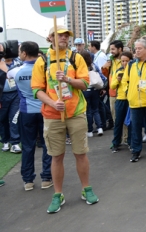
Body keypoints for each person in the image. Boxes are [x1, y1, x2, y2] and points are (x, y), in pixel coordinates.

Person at [31, 25, 98, 213]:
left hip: (76, 113)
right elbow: (37, 90)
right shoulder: (42, 61)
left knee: (80, 153)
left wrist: (68, 79)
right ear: (50, 38)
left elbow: (85, 84)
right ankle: (57, 194)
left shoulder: (76, 58)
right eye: (59, 35)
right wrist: (53, 104)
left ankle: (86, 189)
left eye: (66, 35)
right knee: (56, 156)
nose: (63, 38)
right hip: (52, 115)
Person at [11, 41, 52, 191]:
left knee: (28, 146)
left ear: (24, 53)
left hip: (26, 112)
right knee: (47, 145)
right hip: (45, 110)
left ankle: (28, 180)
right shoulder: (45, 69)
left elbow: (6, 72)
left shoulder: (16, 71)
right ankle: (46, 178)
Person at [122, 39, 146, 162]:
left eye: (139, 48)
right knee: (135, 127)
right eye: (135, 49)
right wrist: (128, 92)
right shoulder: (131, 65)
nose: (137, 51)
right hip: (134, 101)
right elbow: (124, 81)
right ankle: (136, 151)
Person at [79, 50, 107, 137]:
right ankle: (100, 128)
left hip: (85, 90)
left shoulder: (80, 67)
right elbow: (102, 77)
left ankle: (90, 131)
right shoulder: (94, 66)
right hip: (95, 90)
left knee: (88, 111)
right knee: (96, 110)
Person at [110, 51, 133, 153]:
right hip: (120, 99)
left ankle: (131, 141)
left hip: (130, 99)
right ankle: (116, 143)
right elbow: (112, 86)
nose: (124, 63)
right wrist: (117, 80)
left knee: (131, 123)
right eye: (123, 61)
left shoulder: (133, 70)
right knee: (118, 122)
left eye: (127, 61)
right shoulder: (118, 71)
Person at [0, 54, 22, 153]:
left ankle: (15, 142)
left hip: (15, 94)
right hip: (2, 95)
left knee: (14, 118)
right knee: (2, 118)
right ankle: (5, 141)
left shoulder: (18, 63)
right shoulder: (1, 63)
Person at [104, 40, 123, 130]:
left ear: (120, 49)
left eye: (113, 49)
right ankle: (118, 138)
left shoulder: (125, 61)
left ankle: (126, 138)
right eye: (111, 49)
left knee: (123, 119)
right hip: (112, 93)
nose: (111, 51)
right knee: (115, 117)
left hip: (122, 94)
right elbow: (105, 75)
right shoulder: (111, 61)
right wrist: (104, 68)